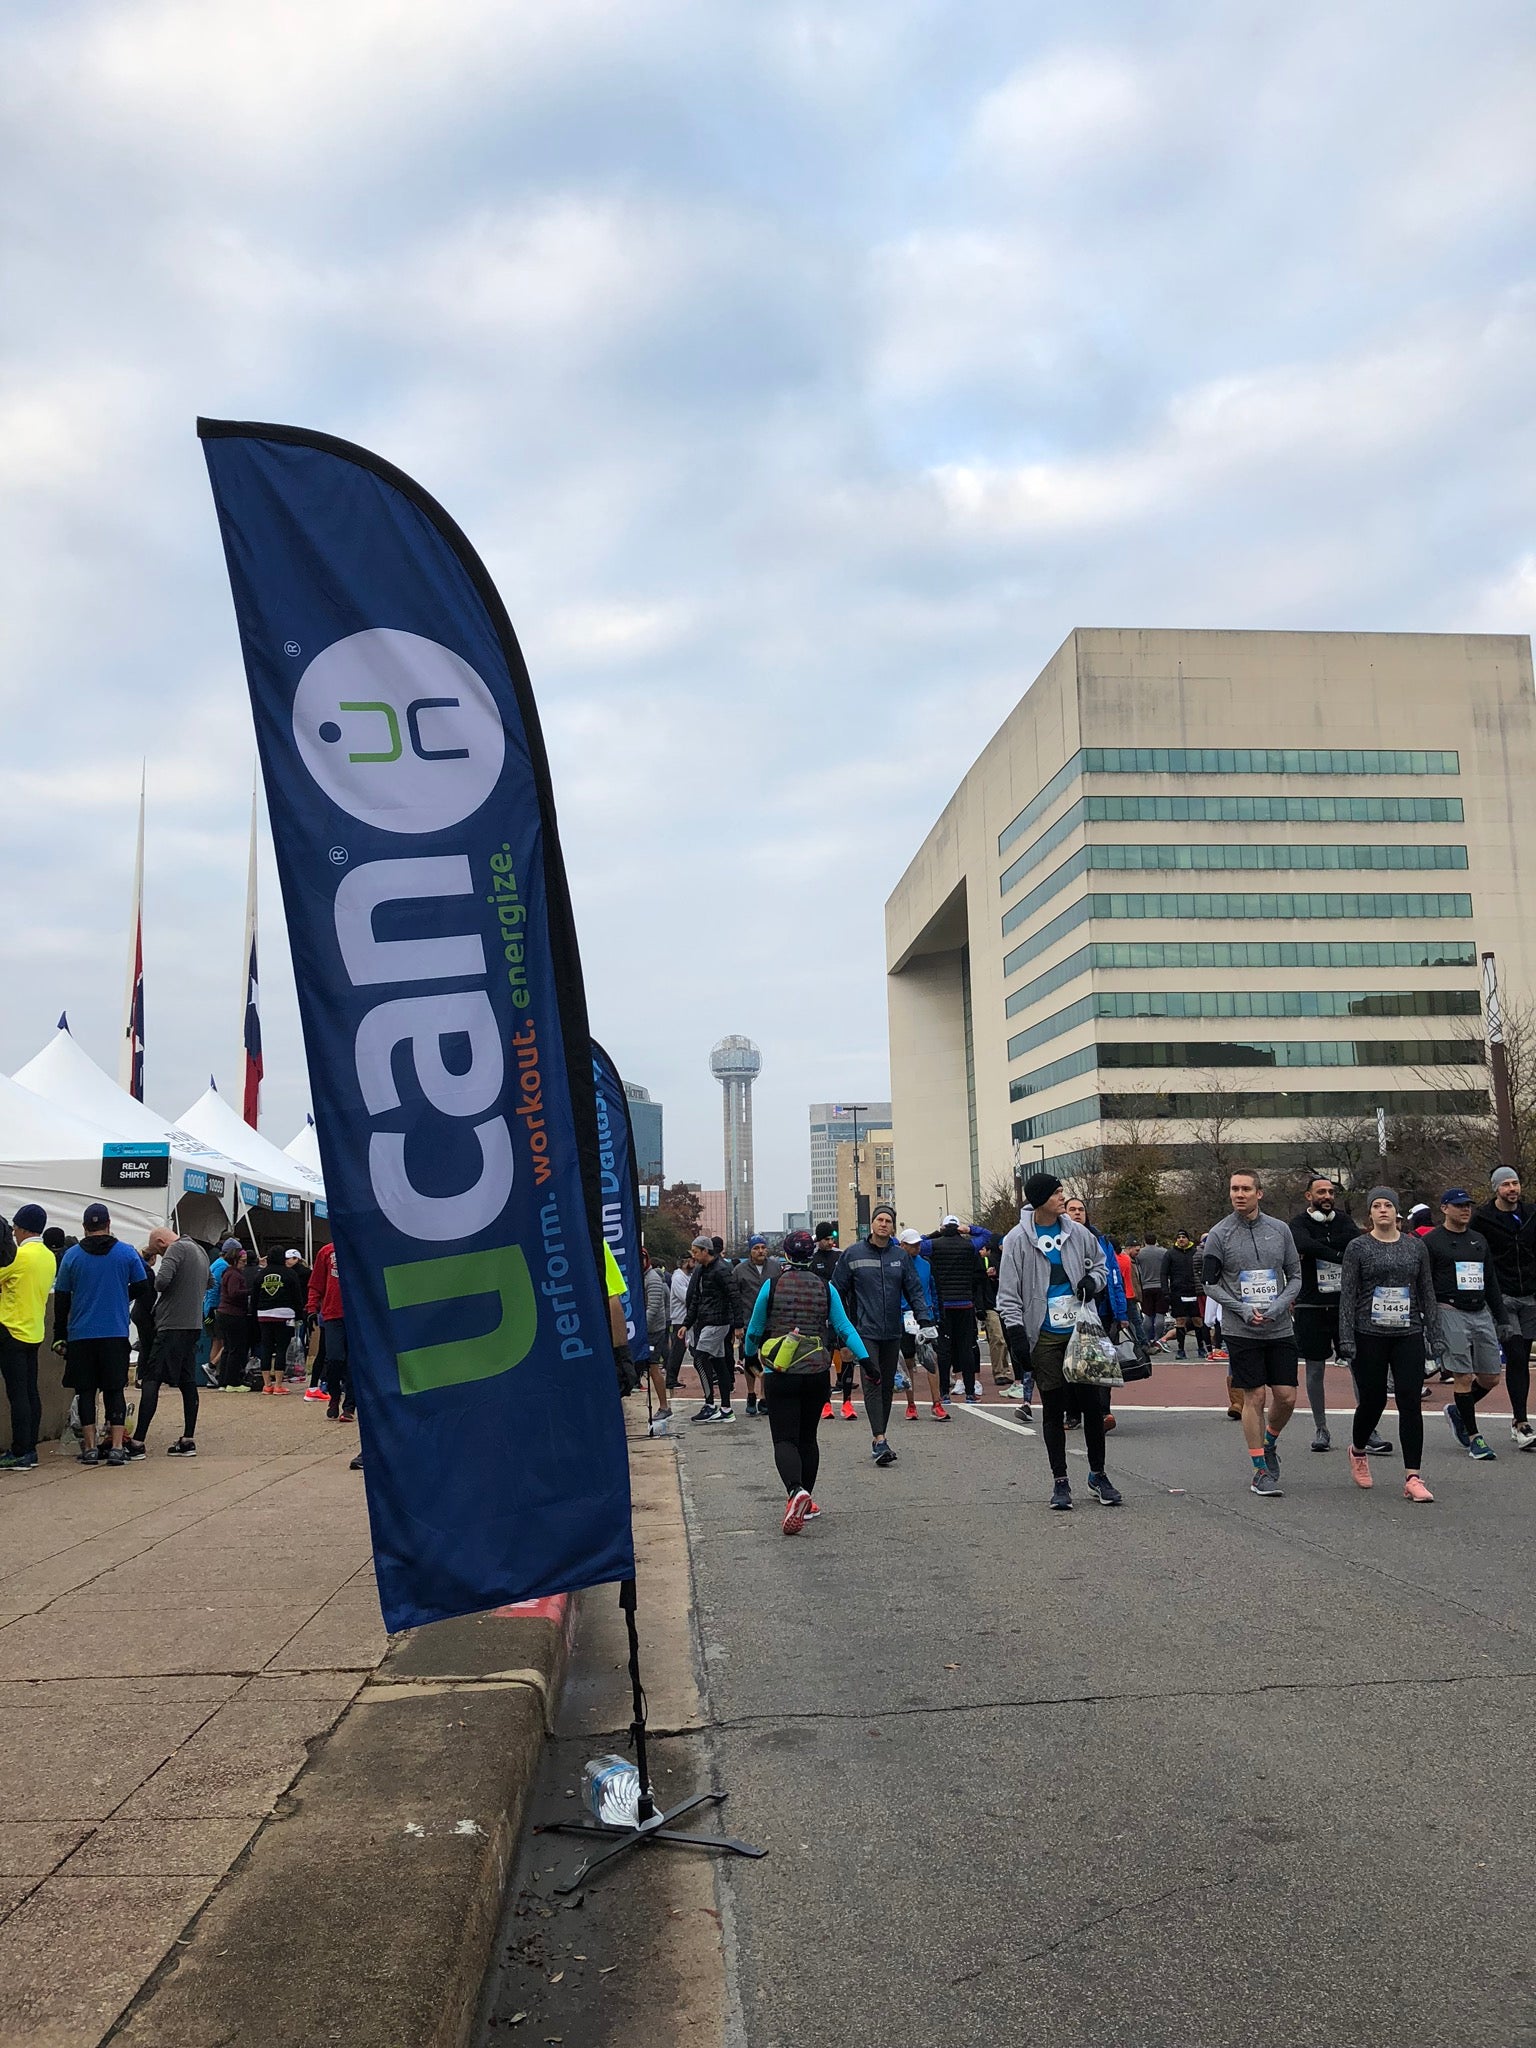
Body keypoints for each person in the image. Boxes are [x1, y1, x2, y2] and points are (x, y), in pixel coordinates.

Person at [997, 1173, 1119, 1509]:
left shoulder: (1078, 1233)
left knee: (1092, 1405)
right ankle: (1060, 1481)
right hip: (1045, 1336)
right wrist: (1017, 1335)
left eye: (1062, 1191)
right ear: (1039, 1200)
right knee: (1053, 1408)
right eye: (1056, 1193)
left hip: (1080, 1332)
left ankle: (1098, 1475)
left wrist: (1092, 1283)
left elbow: (1101, 1267)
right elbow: (1007, 1295)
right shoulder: (1017, 1241)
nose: (1062, 1197)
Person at [746, 1228, 869, 1532]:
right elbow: (845, 1328)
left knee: (784, 1439)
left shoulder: (771, 1286)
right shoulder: (826, 1288)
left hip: (781, 1371)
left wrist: (749, 1355)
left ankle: (794, 1490)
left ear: (786, 1255)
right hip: (816, 1373)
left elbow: (754, 1329)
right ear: (811, 1255)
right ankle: (807, 1500)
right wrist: (867, 1361)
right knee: (808, 1438)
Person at [1201, 1170, 1302, 1498]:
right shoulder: (1219, 1234)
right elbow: (1209, 1283)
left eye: (1245, 1189)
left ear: (1259, 1193)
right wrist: (1241, 1308)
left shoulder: (1280, 1230)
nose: (1238, 1194)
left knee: (1287, 1396)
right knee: (1254, 1396)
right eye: (1234, 1189)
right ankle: (1260, 1470)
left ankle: (1269, 1441)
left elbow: (1296, 1276)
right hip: (1241, 1329)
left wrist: (1280, 1305)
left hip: (1279, 1327)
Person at [1338, 1188, 1443, 1501]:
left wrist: (1435, 1334)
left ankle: (1413, 1476)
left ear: (1397, 1213)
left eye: (1388, 1205)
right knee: (1373, 1400)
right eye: (1376, 1206)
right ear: (1369, 1214)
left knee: (1410, 1400)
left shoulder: (1415, 1247)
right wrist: (1345, 1337)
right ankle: (1358, 1450)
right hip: (1368, 1332)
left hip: (1407, 1331)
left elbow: (1427, 1291)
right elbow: (1348, 1294)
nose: (1382, 1210)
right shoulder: (1358, 1247)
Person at [832, 1203, 933, 1463]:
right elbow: (836, 1292)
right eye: (880, 1219)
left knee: (887, 1386)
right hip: (864, 1332)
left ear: (892, 1226)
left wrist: (925, 1320)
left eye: (888, 1220)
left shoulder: (900, 1257)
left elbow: (915, 1290)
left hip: (892, 1332)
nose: (884, 1224)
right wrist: (840, 1330)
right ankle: (880, 1440)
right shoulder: (853, 1254)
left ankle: (881, 1435)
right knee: (873, 1381)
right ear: (873, 1224)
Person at [54, 1201, 152, 1467]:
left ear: (85, 1227)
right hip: (115, 1332)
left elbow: (61, 1299)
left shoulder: (72, 1256)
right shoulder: (126, 1253)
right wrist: (122, 1296)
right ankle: (118, 1447)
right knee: (113, 1389)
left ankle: (90, 1448)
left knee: (86, 1391)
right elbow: (144, 1286)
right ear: (109, 1225)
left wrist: (58, 1335)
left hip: (81, 1333)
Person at [1287, 1175, 1378, 1455]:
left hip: (1344, 1305)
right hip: (1310, 1305)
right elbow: (1303, 1244)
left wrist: (1321, 1249)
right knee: (1315, 1369)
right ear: (1308, 1196)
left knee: (1358, 1366)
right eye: (1321, 1192)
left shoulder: (1344, 1221)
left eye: (1330, 1191)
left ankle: (1368, 1429)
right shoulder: (1298, 1223)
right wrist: (1334, 1251)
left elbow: (1351, 1242)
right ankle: (1321, 1429)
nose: (1327, 1196)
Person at [1427, 1189, 1505, 1461]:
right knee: (1462, 1375)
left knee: (1491, 1377)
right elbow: (1424, 1282)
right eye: (1459, 1205)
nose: (1465, 1210)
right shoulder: (1433, 1241)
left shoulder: (1478, 1240)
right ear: (1445, 1208)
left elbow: (1491, 1280)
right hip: (1449, 1309)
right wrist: (1428, 1318)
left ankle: (1457, 1411)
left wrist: (1501, 1316)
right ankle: (1474, 1437)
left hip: (1479, 1310)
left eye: (1468, 1205)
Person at [129, 1224, 210, 1458]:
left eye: (159, 1250)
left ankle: (137, 1441)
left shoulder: (175, 1250)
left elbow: (161, 1282)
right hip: (193, 1323)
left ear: (162, 1244)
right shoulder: (199, 1250)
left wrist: (156, 1262)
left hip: (170, 1324)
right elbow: (210, 1282)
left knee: (151, 1379)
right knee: (187, 1381)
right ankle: (187, 1439)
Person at [1473, 1168, 1536, 1450]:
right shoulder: (1483, 1219)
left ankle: (1463, 1403)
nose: (1512, 1189)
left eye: (1515, 1183)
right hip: (1502, 1296)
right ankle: (1521, 1422)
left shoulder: (1531, 1213)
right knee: (1517, 1355)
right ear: (1496, 1188)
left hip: (1531, 1296)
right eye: (1506, 1184)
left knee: (1522, 1354)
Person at [1064, 1197, 1124, 1434]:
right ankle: (1072, 1413)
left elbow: (1114, 1276)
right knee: (1071, 1362)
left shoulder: (1101, 1240)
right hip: (1070, 1312)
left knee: (1101, 1361)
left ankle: (1103, 1412)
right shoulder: (1060, 1239)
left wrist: (1121, 1311)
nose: (1077, 1213)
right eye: (1072, 1209)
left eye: (1081, 1210)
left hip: (1101, 1311)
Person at [0, 1204, 53, 1471]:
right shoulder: (47, 1255)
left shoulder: (20, 1256)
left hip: (11, 1329)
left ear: (21, 1228)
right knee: (31, 1392)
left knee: (17, 1394)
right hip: (34, 1331)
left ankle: (20, 1451)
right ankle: (30, 1448)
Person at [927, 1215, 985, 1404]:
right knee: (966, 1348)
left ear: (943, 1228)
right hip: (965, 1303)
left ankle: (944, 1392)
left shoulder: (934, 1245)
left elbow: (915, 1243)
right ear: (958, 1228)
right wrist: (969, 1230)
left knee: (944, 1351)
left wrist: (937, 1233)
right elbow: (989, 1236)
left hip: (944, 1305)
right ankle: (970, 1392)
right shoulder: (969, 1246)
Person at [684, 1234, 736, 1421]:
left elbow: (734, 1296)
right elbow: (697, 1298)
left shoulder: (720, 1270)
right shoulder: (704, 1270)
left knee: (699, 1359)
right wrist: (687, 1323)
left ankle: (710, 1404)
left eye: (696, 1252)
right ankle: (726, 1408)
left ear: (706, 1251)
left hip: (716, 1322)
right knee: (718, 1362)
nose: (694, 1256)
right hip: (709, 1321)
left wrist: (737, 1325)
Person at [730, 1236, 784, 1418]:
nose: (760, 1251)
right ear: (750, 1251)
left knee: (769, 1359)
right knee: (750, 1359)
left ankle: (764, 1396)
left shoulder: (775, 1267)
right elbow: (734, 1298)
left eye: (763, 1247)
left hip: (772, 1321)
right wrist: (737, 1325)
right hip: (749, 1322)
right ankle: (751, 1394)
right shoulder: (739, 1270)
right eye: (756, 1248)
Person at [896, 1228, 942, 1420]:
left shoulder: (926, 1264)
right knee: (908, 1362)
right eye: (912, 1245)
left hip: (925, 1315)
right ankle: (911, 1404)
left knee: (932, 1360)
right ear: (902, 1245)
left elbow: (932, 1290)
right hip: (903, 1317)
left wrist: (937, 1316)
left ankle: (937, 1403)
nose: (916, 1247)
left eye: (918, 1244)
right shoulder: (895, 1265)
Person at [306, 1237, 351, 1421]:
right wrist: (311, 1308)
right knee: (334, 1358)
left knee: (353, 1364)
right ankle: (334, 1396)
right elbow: (316, 1284)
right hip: (332, 1314)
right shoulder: (326, 1252)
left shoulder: (359, 1249)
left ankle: (349, 1406)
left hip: (356, 1316)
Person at [809, 1224, 849, 1419]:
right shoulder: (813, 1260)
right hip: (820, 1316)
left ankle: (847, 1401)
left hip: (840, 1312)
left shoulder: (840, 1257)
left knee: (846, 1352)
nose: (830, 1243)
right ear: (819, 1240)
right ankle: (825, 1402)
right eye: (827, 1239)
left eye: (832, 1239)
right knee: (824, 1356)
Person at [253, 1248, 306, 1392]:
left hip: (263, 1314)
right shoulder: (290, 1274)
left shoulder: (261, 1274)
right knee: (281, 1348)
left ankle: (266, 1384)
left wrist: (254, 1314)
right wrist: (299, 1315)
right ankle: (278, 1385)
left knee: (266, 1347)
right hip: (284, 1314)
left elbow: (255, 1296)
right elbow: (297, 1296)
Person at [642, 1249, 673, 1435]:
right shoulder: (642, 1277)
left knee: (654, 1367)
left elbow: (653, 1308)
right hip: (647, 1328)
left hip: (653, 1330)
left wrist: (640, 1329)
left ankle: (664, 1406)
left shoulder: (652, 1279)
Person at [976, 1240, 1013, 1394]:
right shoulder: (984, 1262)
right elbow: (977, 1284)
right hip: (990, 1305)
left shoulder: (1008, 1261)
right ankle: (999, 1372)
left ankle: (1004, 1370)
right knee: (998, 1338)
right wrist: (980, 1306)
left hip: (1004, 1304)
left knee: (1005, 1339)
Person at [215, 1244, 254, 1390]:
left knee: (228, 1348)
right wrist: (250, 1291)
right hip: (233, 1314)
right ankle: (233, 1381)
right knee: (236, 1349)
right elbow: (234, 1293)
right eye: (242, 1261)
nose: (244, 1264)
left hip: (224, 1313)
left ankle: (223, 1380)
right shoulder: (234, 1275)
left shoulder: (227, 1273)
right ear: (235, 1260)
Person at [1166, 1232, 1206, 1358]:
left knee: (1197, 1320)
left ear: (1188, 1239)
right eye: (1179, 1237)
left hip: (1194, 1290)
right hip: (1178, 1292)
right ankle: (1181, 1350)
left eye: (1183, 1237)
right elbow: (1163, 1274)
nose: (1181, 1239)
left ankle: (1201, 1347)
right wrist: (1165, 1291)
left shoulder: (1195, 1252)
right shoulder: (1170, 1254)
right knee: (1180, 1320)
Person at [1135, 1235, 1172, 1347]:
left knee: (1147, 1314)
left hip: (1146, 1287)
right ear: (1156, 1241)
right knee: (1160, 1314)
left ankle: (1147, 1339)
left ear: (1144, 1241)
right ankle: (1158, 1338)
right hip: (1161, 1286)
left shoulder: (1140, 1254)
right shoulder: (1164, 1252)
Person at [666, 1249, 693, 1396]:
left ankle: (672, 1378)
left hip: (686, 1319)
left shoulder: (686, 1276)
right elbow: (686, 1297)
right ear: (684, 1262)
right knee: (677, 1350)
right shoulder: (678, 1278)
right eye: (691, 1261)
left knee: (682, 1349)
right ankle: (670, 1379)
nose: (693, 1263)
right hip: (679, 1319)